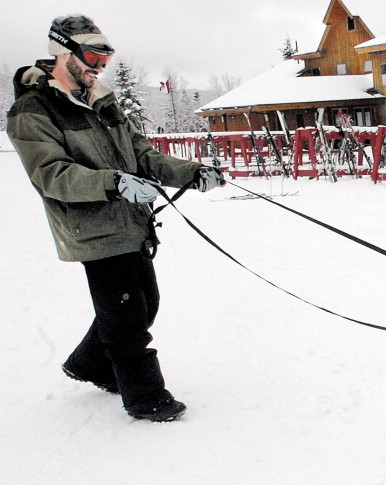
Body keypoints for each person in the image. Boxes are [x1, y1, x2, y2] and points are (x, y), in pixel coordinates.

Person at [7, 14, 225, 422]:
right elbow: (50, 174)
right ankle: (146, 398)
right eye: (93, 55)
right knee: (126, 319)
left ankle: (90, 364)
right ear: (63, 51)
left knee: (143, 304)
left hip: (131, 219)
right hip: (91, 227)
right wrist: (114, 183)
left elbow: (141, 154)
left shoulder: (103, 102)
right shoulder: (33, 110)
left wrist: (191, 173)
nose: (99, 66)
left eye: (106, 58)